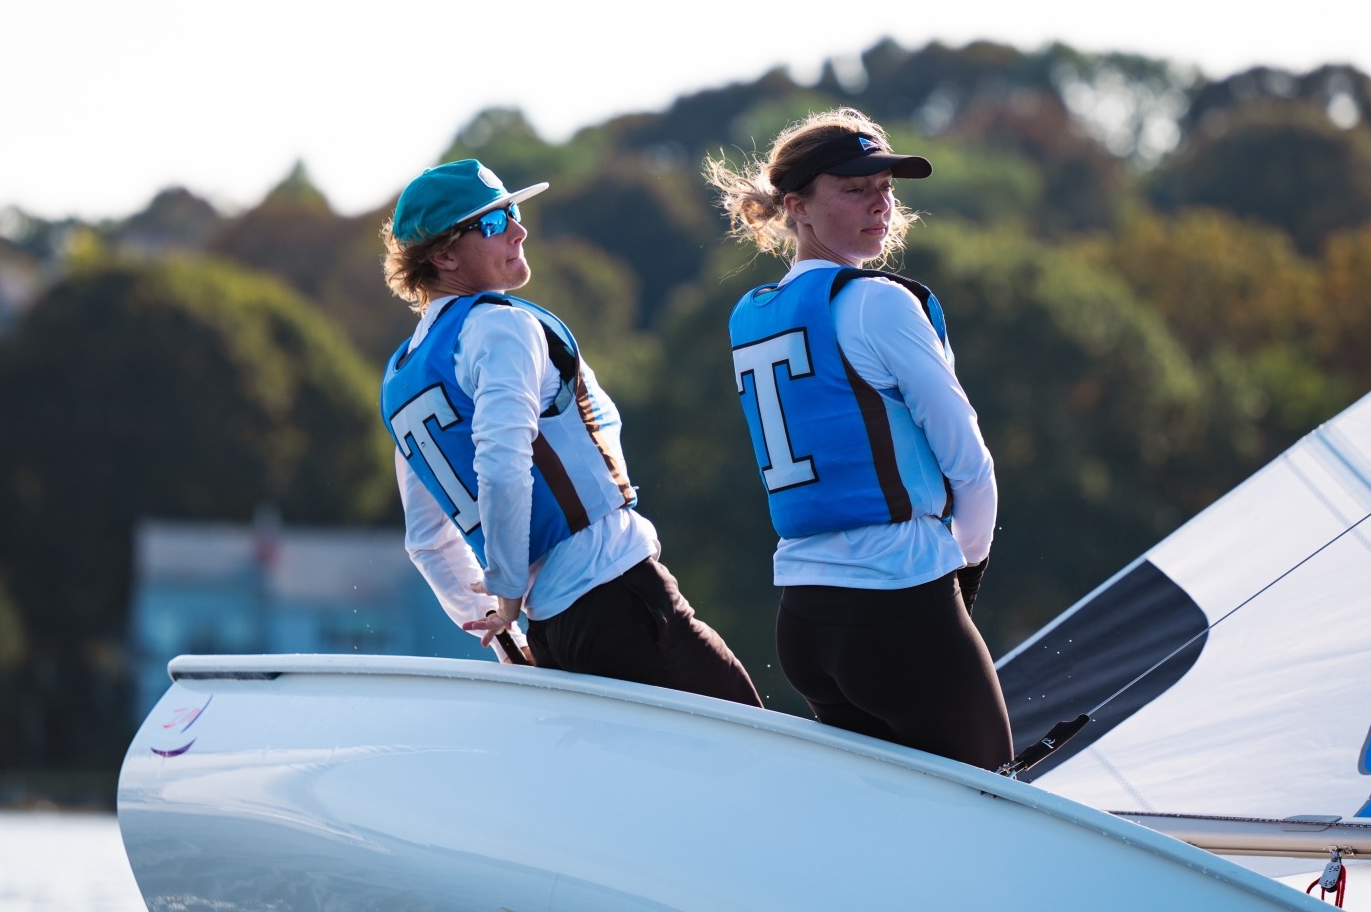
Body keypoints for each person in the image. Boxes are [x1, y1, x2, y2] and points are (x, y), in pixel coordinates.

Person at [379, 158, 760, 707]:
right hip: (615, 593)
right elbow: (503, 464)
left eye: (513, 212)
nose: (518, 230)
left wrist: (509, 638)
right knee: (757, 744)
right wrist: (507, 588)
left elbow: (428, 542)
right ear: (443, 255)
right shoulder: (499, 324)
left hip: (551, 630)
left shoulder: (399, 377)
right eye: (493, 223)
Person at [707, 109, 1011, 768]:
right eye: (854, 188)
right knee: (993, 800)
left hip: (805, 622)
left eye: (885, 187)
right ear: (797, 207)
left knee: (887, 818)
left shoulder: (751, 314)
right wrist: (964, 573)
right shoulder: (880, 302)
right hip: (899, 604)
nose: (880, 202)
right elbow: (968, 460)